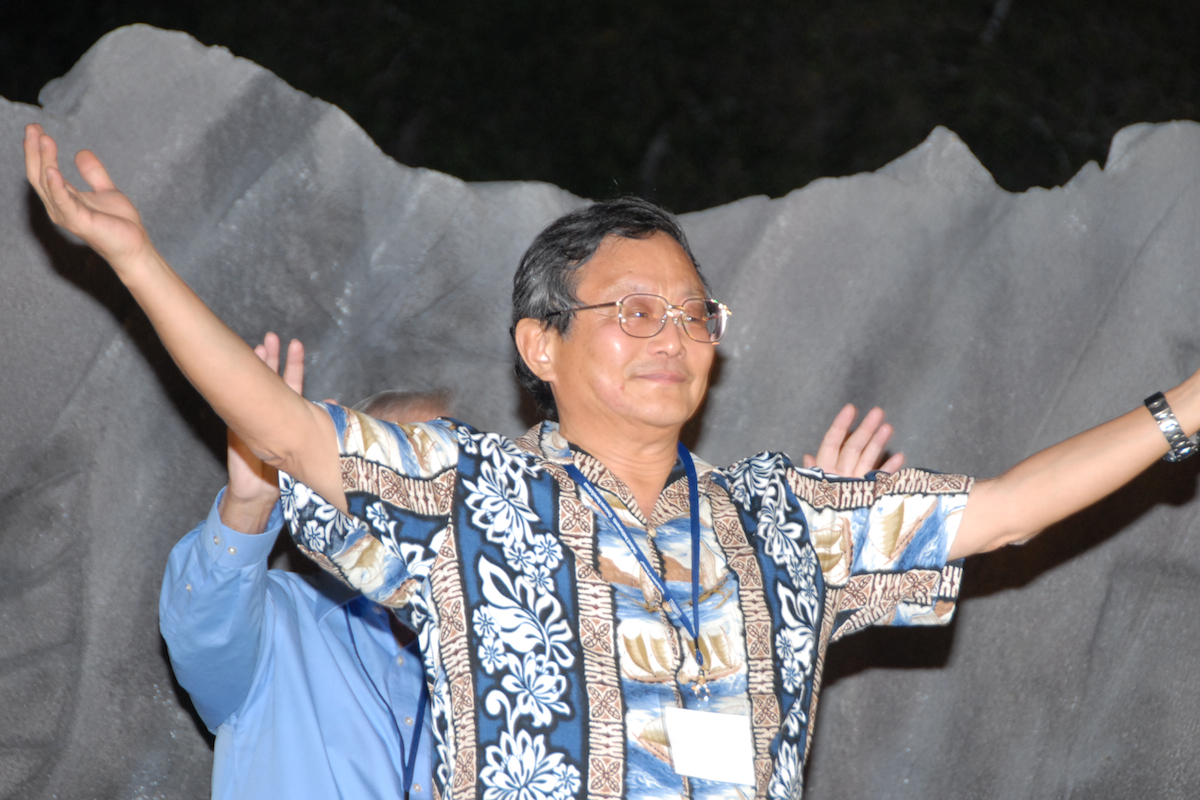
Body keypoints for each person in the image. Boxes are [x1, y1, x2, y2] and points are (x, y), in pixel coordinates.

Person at [25, 124, 1199, 800]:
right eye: (633, 311)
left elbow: (1006, 510)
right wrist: (137, 261)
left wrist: (1184, 410)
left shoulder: (786, 519)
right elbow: (284, 433)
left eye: (694, 315)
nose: (673, 336)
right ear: (541, 344)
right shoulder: (470, 498)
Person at [160, 334, 450, 800]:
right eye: (399, 477)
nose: (425, 505)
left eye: (446, 482)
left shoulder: (507, 665)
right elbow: (200, 633)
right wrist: (249, 505)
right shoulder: (277, 625)